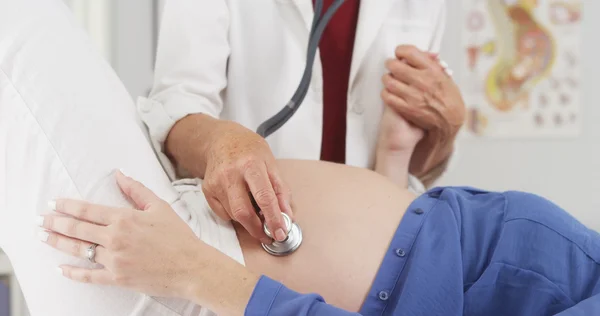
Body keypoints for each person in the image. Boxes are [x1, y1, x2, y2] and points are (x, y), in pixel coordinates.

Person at [0, 2, 598, 316]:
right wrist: (399, 155)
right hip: (201, 235)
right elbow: (177, 102)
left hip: (203, 272)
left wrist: (191, 271)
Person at [139, 0, 466, 244]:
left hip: (370, 238)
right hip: (250, 239)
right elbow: (176, 104)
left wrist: (446, 128)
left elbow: (413, 160)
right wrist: (216, 142)